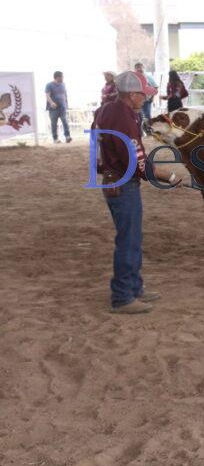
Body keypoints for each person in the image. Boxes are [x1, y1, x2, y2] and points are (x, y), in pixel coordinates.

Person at [91, 71, 180, 314]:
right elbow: (136, 159)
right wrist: (166, 176)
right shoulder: (124, 117)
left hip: (112, 179)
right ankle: (122, 297)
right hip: (123, 182)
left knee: (130, 238)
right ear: (132, 95)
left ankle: (133, 287)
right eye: (143, 94)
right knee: (129, 240)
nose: (146, 99)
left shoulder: (105, 110)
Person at [44, 70, 72, 144]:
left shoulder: (63, 84)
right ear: (57, 77)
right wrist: (51, 103)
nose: (63, 78)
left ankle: (67, 136)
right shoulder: (49, 85)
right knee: (54, 123)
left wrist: (66, 104)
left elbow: (65, 95)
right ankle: (55, 139)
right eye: (62, 76)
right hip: (53, 108)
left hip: (62, 107)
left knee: (65, 121)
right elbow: (47, 95)